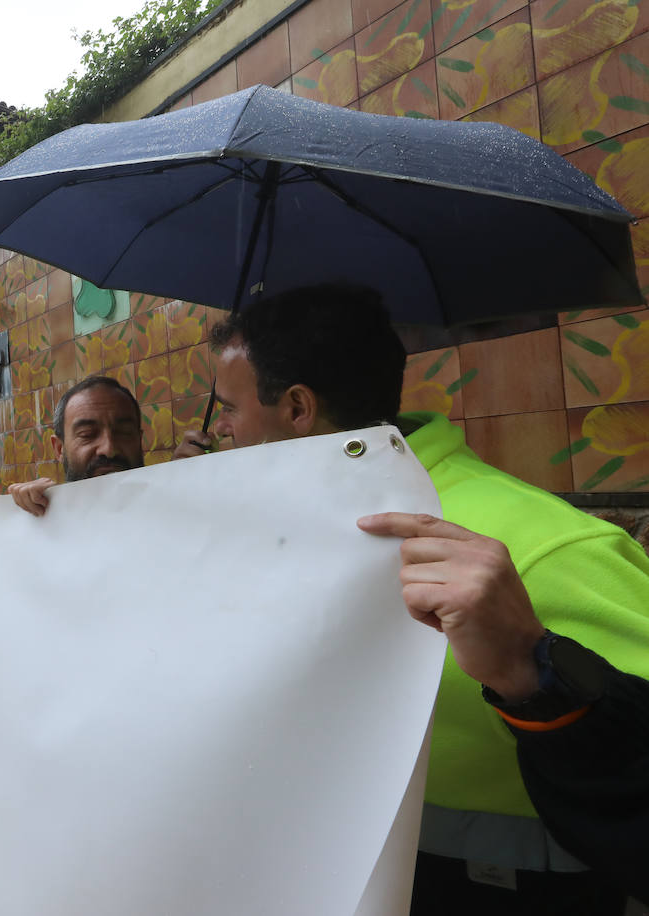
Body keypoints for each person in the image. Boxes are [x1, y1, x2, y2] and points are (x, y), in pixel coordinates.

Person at [176, 284, 649, 911]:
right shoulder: (263, 531)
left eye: (227, 409)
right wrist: (54, 531)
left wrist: (534, 667)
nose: (220, 431)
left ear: (296, 408)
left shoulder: (551, 549)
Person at [7, 375, 144, 517]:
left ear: (139, 440)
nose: (109, 449)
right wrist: (35, 508)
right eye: (87, 434)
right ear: (60, 449)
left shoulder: (166, 511)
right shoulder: (47, 522)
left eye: (124, 432)